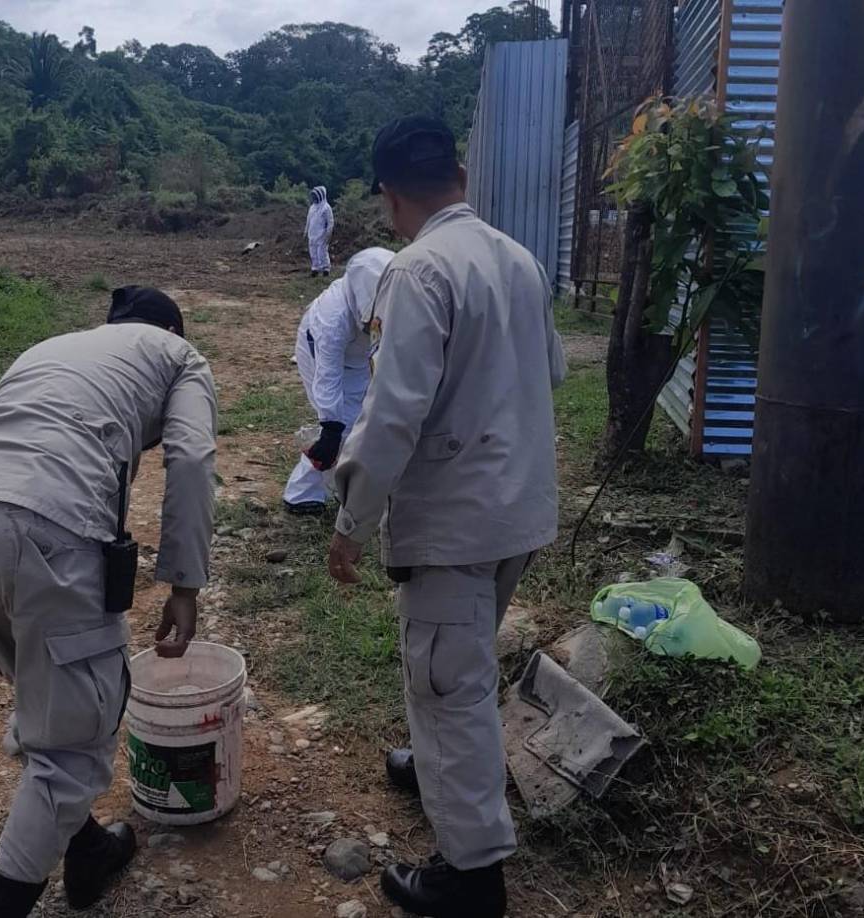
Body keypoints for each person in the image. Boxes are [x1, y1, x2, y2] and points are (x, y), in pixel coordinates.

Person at [327, 115, 567, 918]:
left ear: (392, 197)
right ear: (459, 175)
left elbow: (391, 416)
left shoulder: (417, 270)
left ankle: (471, 876)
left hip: (456, 521)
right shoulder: (519, 259)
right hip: (520, 509)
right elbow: (553, 371)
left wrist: (350, 521)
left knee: (448, 687)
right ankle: (434, 767)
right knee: (458, 668)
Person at [0, 286, 217, 918]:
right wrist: (185, 585)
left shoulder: (55, 347)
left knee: (53, 691)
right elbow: (193, 456)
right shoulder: (179, 355)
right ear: (173, 327)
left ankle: (85, 848)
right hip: (47, 529)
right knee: (74, 747)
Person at [283, 247, 396, 515]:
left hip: (358, 357)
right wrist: (331, 425)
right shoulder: (332, 320)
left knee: (366, 418)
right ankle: (301, 494)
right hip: (319, 354)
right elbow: (327, 373)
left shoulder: (395, 288)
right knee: (345, 426)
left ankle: (345, 486)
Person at [305, 185, 334, 276]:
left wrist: (328, 234)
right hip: (312, 234)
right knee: (313, 252)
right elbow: (308, 220)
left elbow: (330, 222)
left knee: (321, 252)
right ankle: (315, 269)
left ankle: (326, 269)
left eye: (315, 196)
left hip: (322, 234)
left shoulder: (326, 208)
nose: (314, 198)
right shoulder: (312, 207)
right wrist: (305, 231)